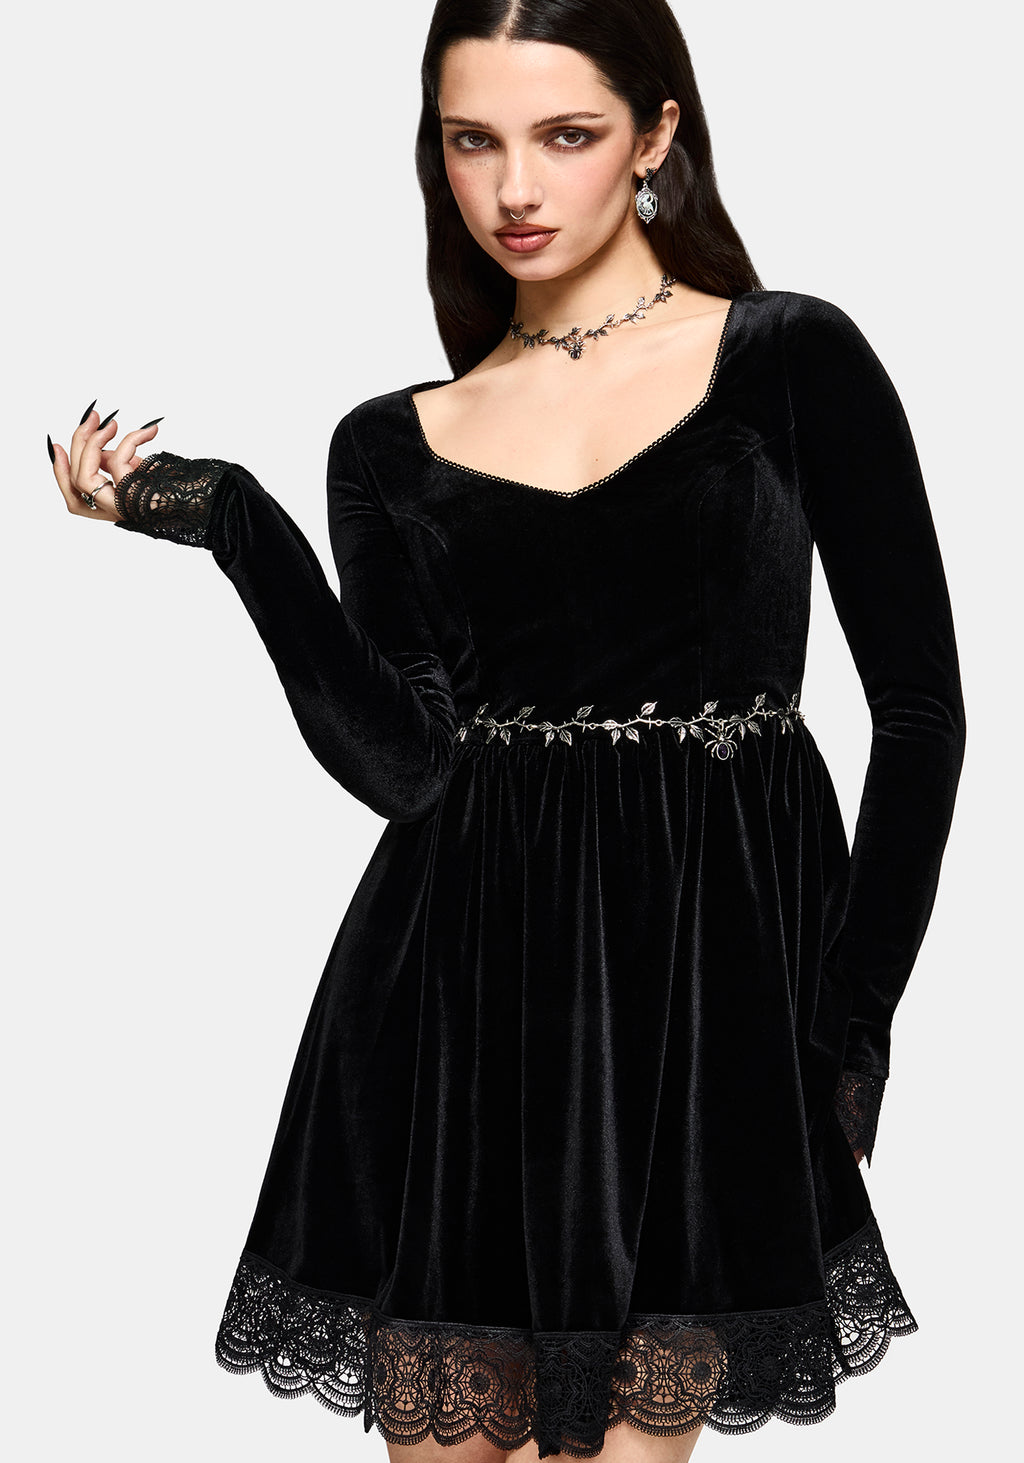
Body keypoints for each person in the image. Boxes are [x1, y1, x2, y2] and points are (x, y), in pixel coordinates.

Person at [46, 1, 967, 1459]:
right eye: (473, 141)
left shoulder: (790, 357)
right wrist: (233, 521)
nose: (515, 188)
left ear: (656, 135)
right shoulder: (387, 442)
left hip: (703, 1006)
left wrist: (851, 1016)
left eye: (566, 135)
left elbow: (919, 714)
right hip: (452, 1016)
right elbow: (405, 765)